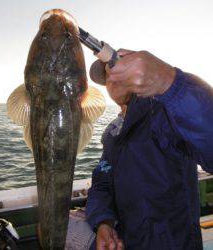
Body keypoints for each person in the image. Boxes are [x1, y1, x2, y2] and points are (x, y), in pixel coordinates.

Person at [85, 49, 213, 250]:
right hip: (125, 240)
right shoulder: (112, 133)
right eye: (107, 77)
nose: (112, 78)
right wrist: (103, 222)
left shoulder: (163, 111)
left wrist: (169, 82)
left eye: (118, 70)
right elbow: (102, 182)